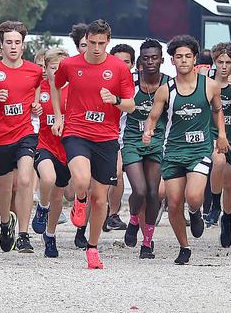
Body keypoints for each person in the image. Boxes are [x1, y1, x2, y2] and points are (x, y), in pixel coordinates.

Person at [50, 19, 135, 269]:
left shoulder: (119, 68)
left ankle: (93, 248)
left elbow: (131, 104)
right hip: (76, 130)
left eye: (101, 43)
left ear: (108, 42)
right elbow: (56, 86)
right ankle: (79, 199)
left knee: (101, 199)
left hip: (106, 136)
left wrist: (115, 99)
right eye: (92, 43)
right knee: (82, 179)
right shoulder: (70, 64)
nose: (96, 48)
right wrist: (58, 116)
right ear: (85, 41)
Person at [142, 34, 225, 264]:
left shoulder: (209, 85)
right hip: (173, 152)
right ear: (172, 60)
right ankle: (184, 246)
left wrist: (222, 136)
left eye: (188, 56)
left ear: (195, 59)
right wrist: (148, 131)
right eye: (179, 57)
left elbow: (218, 110)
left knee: (194, 196)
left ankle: (196, 212)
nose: (184, 61)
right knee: (174, 202)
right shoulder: (165, 90)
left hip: (199, 150)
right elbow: (153, 117)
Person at [0, 21, 43, 254]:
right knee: (4, 188)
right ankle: (6, 224)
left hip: (25, 132)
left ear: (23, 46)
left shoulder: (34, 71)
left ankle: (24, 235)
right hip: (0, 137)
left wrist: (36, 105)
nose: (13, 47)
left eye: (17, 42)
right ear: (1, 46)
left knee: (25, 180)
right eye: (9, 42)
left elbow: (37, 92)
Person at [121, 40, 166, 258]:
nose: (150, 62)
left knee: (152, 192)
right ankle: (132, 219)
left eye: (154, 57)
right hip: (131, 141)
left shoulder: (169, 84)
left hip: (157, 143)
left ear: (162, 60)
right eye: (146, 58)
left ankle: (147, 242)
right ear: (140, 61)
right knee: (138, 190)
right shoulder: (130, 83)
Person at [31, 48, 71, 257]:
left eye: (61, 68)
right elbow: (28, 106)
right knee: (48, 177)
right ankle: (42, 208)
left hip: (66, 148)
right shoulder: (40, 88)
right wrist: (33, 108)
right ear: (45, 69)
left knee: (59, 197)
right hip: (44, 143)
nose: (57, 71)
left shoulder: (74, 90)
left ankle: (51, 235)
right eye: (53, 68)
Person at [207, 42, 231, 247]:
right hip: (214, 133)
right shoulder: (207, 80)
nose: (223, 66)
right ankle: (214, 204)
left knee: (229, 182)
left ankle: (227, 219)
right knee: (218, 162)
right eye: (220, 62)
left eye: (228, 62)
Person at [104, 43, 135, 232]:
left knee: (117, 173)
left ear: (132, 64)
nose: (122, 65)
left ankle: (113, 214)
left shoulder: (139, 84)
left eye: (126, 62)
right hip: (105, 134)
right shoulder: (103, 80)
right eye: (118, 61)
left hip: (129, 138)